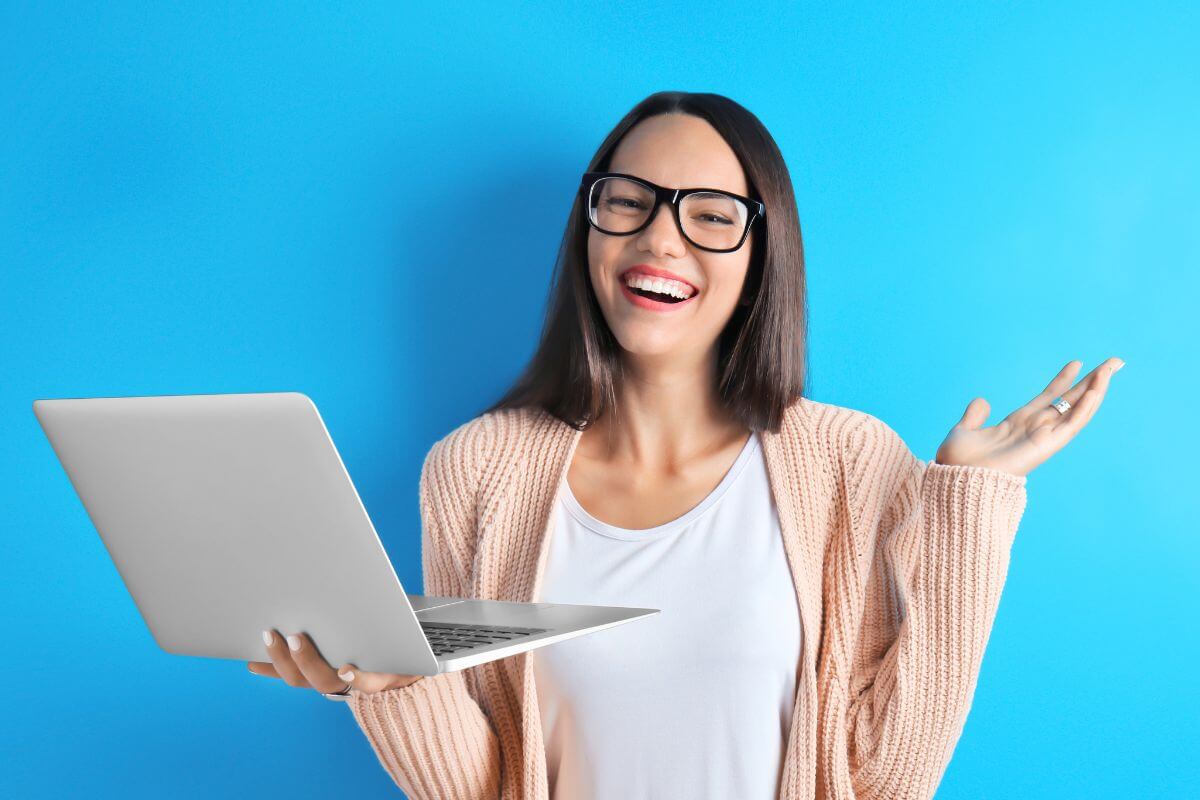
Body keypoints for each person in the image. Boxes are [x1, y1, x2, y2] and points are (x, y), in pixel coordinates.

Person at [246, 91, 1122, 799]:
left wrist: (962, 509)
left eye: (710, 214)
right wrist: (399, 683)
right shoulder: (477, 469)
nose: (658, 237)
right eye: (627, 201)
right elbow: (486, 789)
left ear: (760, 253)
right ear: (590, 225)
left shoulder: (851, 463)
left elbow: (890, 778)